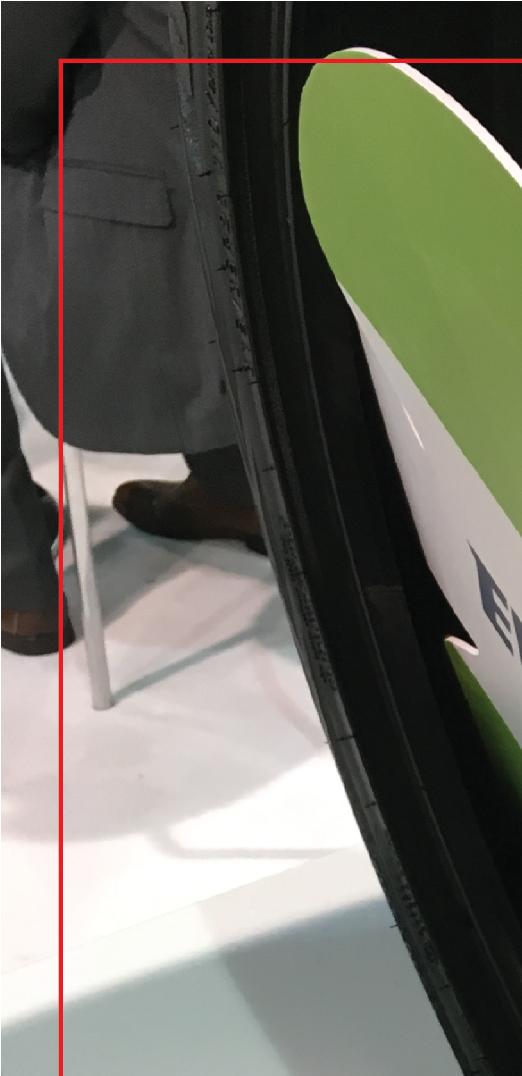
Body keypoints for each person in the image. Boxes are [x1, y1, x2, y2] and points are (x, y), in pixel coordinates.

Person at [1, 0, 262, 657]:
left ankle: (15, 579)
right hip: (263, 142)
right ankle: (240, 488)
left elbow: (13, 71)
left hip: (150, 196)